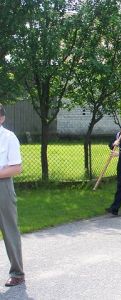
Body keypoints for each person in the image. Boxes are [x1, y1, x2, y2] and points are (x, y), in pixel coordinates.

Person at [0, 104, 25, 286]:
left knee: (9, 230)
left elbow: (16, 168)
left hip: (3, 186)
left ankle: (17, 273)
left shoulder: (9, 138)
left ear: (1, 118)